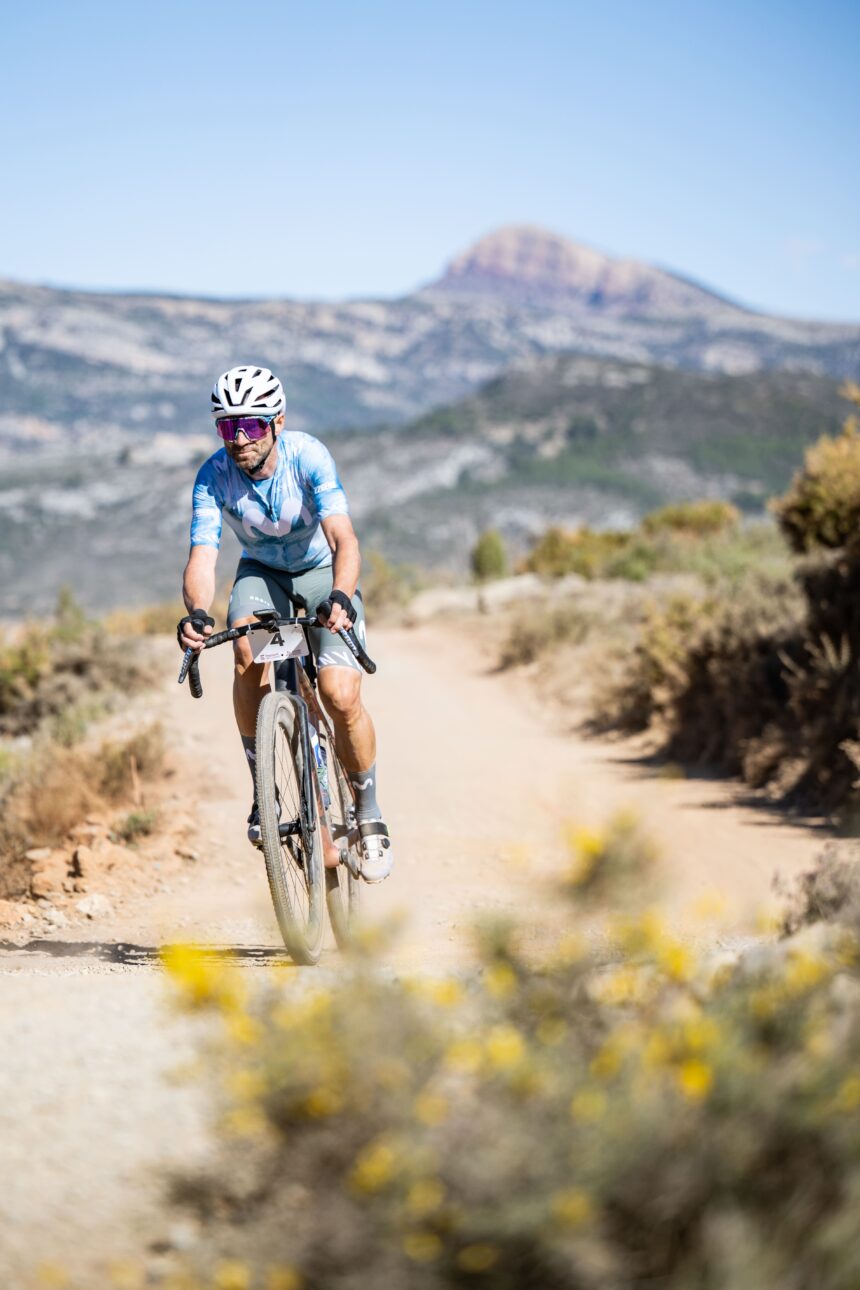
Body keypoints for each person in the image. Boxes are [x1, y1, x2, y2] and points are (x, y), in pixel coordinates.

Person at [176, 364, 393, 883]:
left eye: (249, 426)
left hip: (322, 572)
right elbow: (203, 557)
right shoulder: (212, 477)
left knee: (340, 696)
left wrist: (341, 594)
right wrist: (197, 613)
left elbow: (345, 540)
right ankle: (264, 792)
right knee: (245, 650)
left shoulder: (308, 455)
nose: (238, 439)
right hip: (263, 574)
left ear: (277, 421)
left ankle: (369, 815)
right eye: (227, 428)